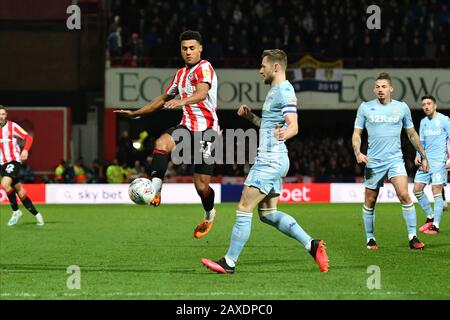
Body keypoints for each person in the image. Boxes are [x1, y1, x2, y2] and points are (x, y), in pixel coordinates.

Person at [201, 49, 329, 274]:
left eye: (263, 66)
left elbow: (294, 125)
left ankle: (229, 262)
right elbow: (270, 124)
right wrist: (250, 117)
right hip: (274, 158)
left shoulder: (284, 90)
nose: (260, 70)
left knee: (243, 207)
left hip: (270, 159)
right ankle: (312, 245)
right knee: (268, 214)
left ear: (276, 67)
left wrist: (286, 133)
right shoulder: (274, 91)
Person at [115, 30, 219, 239]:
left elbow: (201, 92)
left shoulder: (204, 67)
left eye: (192, 48)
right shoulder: (180, 75)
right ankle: (155, 189)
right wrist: (136, 113)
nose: (188, 52)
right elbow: (161, 100)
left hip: (207, 132)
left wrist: (182, 101)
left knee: (201, 187)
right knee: (162, 142)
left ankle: (209, 213)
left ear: (200, 48)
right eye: (184, 49)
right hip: (187, 127)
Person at [352, 72, 428, 250]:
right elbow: (357, 134)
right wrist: (357, 152)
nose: (380, 90)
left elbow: (412, 134)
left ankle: (413, 237)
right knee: (370, 200)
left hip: (395, 160)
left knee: (404, 195)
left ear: (391, 89)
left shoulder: (401, 108)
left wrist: (423, 155)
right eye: (377, 87)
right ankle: (370, 238)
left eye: (384, 86)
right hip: (373, 162)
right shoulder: (365, 107)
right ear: (374, 89)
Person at [0, 105, 44, 226]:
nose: (1, 116)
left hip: (13, 161)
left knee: (4, 184)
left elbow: (28, 137)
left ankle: (16, 211)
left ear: (6, 115)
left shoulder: (12, 126)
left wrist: (25, 150)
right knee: (19, 190)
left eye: (3, 114)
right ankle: (37, 214)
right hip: (2, 164)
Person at [413, 95, 450, 234]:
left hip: (439, 162)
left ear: (435, 105)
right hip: (425, 161)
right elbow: (421, 142)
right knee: (417, 189)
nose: (426, 106)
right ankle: (430, 216)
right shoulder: (423, 122)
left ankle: (436, 225)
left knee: (436, 190)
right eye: (424, 104)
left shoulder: (444, 120)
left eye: (429, 103)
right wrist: (418, 155)